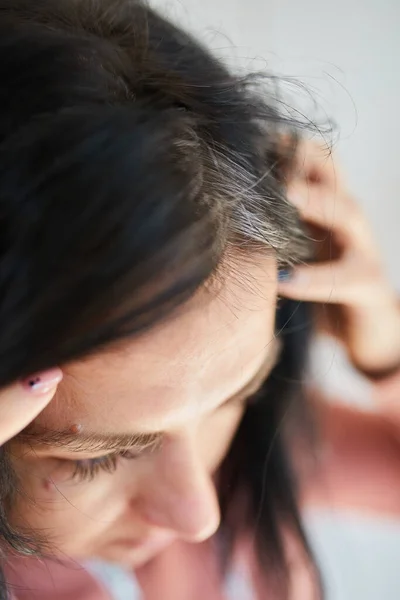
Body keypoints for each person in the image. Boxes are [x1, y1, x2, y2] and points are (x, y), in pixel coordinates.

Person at [0, 1, 399, 599]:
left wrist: (386, 345)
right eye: (92, 460)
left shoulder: (243, 460)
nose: (197, 512)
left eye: (236, 397)